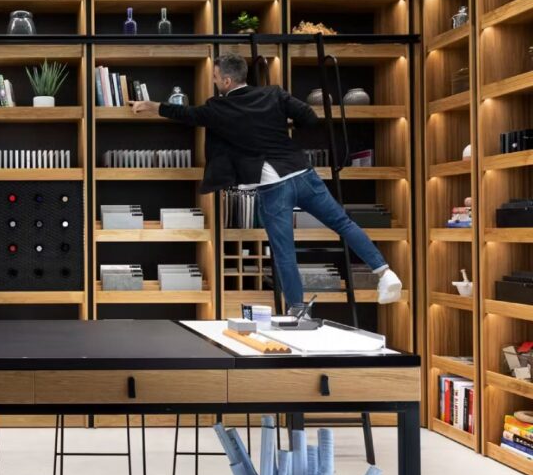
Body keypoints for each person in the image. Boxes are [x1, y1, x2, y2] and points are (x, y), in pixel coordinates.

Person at [130, 53, 402, 309]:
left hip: (274, 187)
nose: (213, 81)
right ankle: (385, 272)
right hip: (303, 174)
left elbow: (186, 114)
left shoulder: (219, 107)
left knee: (285, 252)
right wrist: (281, 126)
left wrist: (151, 105)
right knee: (343, 222)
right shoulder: (274, 93)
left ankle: (298, 312)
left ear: (226, 80)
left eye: (214, 77)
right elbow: (309, 117)